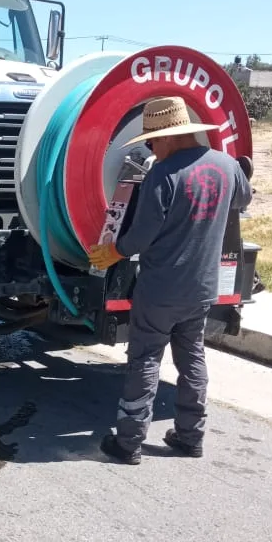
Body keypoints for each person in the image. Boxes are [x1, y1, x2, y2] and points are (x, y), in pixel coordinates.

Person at [89, 96, 252, 466]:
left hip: (161, 288)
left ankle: (128, 442)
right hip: (202, 286)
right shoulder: (227, 166)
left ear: (168, 137)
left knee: (145, 359)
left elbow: (141, 238)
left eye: (151, 141)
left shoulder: (163, 176)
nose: (150, 148)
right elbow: (243, 199)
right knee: (192, 357)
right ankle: (190, 436)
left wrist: (114, 250)